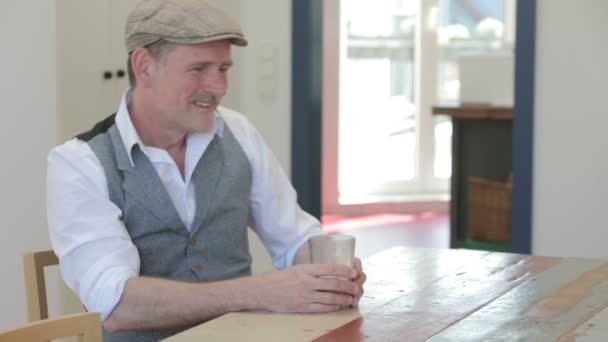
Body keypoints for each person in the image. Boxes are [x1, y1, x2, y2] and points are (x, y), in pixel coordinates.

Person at [47, 0, 366, 341]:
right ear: (144, 66)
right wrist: (260, 291)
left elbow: (294, 237)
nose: (218, 87)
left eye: (224, 68)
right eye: (199, 68)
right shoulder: (78, 163)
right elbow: (115, 305)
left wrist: (329, 272)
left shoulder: (238, 132)